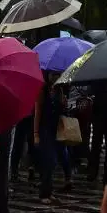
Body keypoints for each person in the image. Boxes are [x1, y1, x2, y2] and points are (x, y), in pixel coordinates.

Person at [34, 72, 72, 204]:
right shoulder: (42, 90)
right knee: (49, 161)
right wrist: (36, 133)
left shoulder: (59, 89)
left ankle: (49, 192)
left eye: (57, 74)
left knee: (55, 161)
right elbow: (37, 112)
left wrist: (64, 103)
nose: (55, 77)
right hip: (45, 129)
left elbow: (63, 110)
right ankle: (44, 193)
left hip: (57, 129)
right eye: (53, 74)